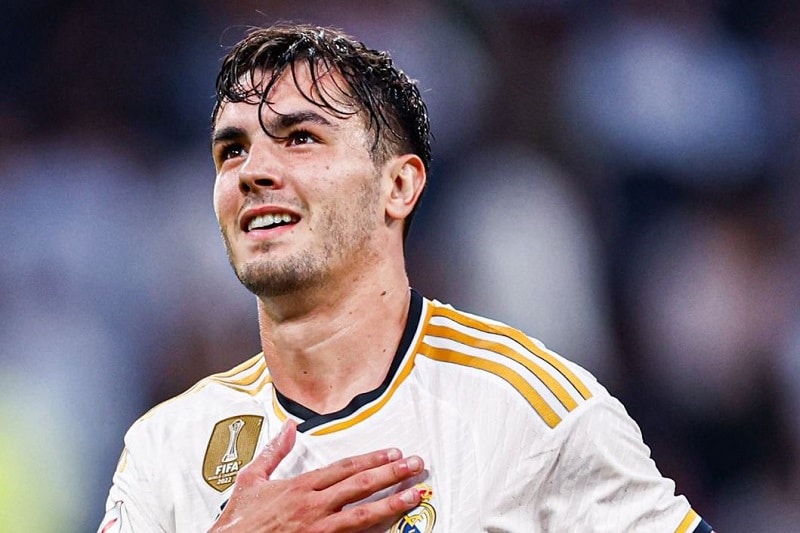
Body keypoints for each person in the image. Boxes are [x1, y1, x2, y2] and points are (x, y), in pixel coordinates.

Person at [97, 23, 714, 532]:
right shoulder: (165, 447)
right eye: (232, 149)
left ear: (398, 186)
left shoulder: (525, 408)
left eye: (300, 138)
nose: (252, 170)